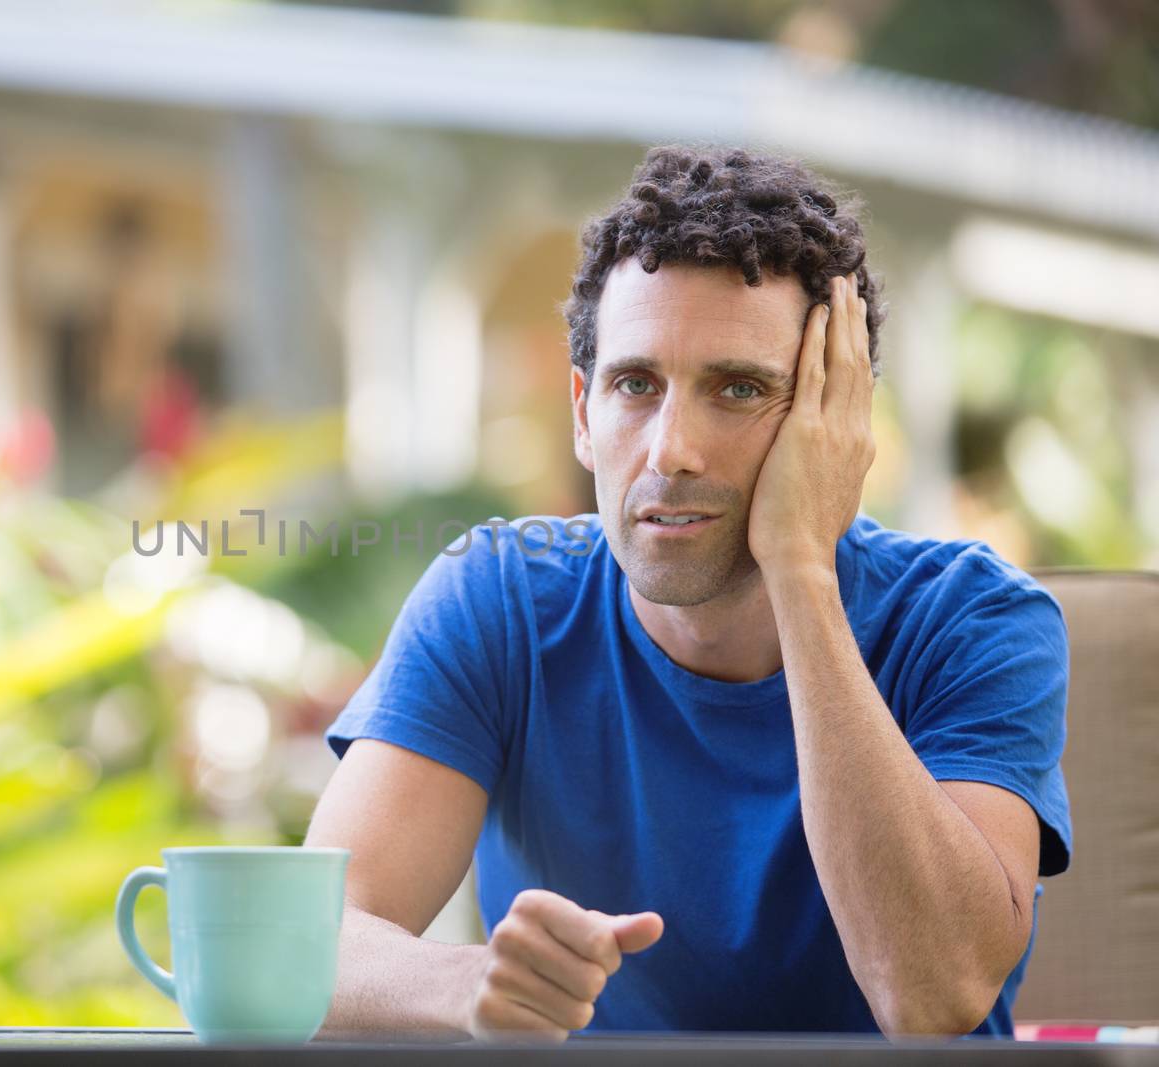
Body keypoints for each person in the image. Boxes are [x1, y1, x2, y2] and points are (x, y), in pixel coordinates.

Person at [305, 146, 1070, 1042]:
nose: (671, 449)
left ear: (839, 419)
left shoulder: (976, 620)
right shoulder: (501, 599)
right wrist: (469, 986)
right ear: (584, 414)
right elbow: (312, 945)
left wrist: (802, 571)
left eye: (738, 389)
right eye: (637, 385)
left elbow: (933, 996)